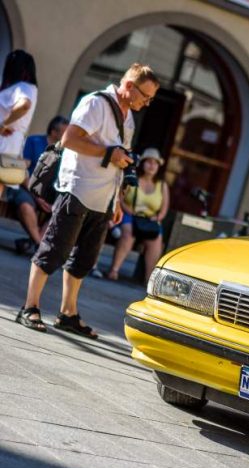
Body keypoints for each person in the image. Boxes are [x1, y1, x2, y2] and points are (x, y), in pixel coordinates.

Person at [15, 63, 159, 338]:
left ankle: (68, 314)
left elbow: (121, 158)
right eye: (146, 96)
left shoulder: (128, 117)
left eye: (151, 98)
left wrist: (117, 200)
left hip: (104, 198)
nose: (147, 103)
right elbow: (70, 139)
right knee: (53, 250)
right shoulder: (96, 103)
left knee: (84, 259)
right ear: (129, 86)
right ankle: (29, 307)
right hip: (77, 189)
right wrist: (108, 153)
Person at [8, 115, 68, 255]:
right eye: (65, 132)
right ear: (54, 132)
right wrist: (37, 197)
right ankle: (39, 246)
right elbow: (22, 171)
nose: (68, 135)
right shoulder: (33, 141)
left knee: (61, 209)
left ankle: (32, 242)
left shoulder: (66, 152)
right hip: (26, 188)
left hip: (50, 193)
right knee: (25, 206)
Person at [107, 147, 169, 282]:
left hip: (150, 219)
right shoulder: (133, 177)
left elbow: (164, 208)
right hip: (130, 215)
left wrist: (157, 218)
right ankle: (114, 270)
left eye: (156, 163)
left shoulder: (162, 185)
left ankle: (149, 279)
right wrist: (128, 210)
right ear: (142, 163)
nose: (152, 165)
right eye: (149, 162)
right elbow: (120, 197)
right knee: (128, 234)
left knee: (156, 239)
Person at [0, 50, 37, 201]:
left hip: (5, 140)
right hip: (12, 143)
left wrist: (4, 124)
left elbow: (24, 105)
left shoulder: (23, 87)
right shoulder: (27, 87)